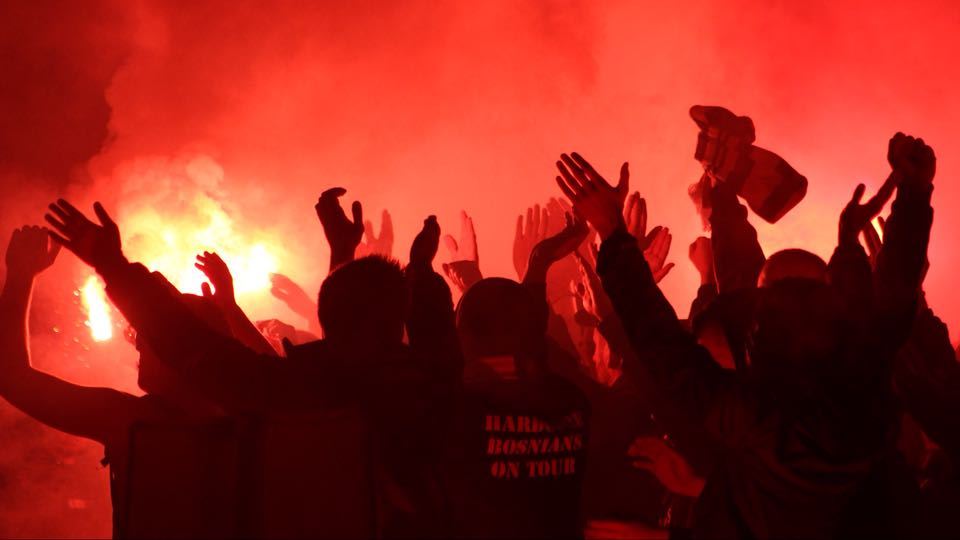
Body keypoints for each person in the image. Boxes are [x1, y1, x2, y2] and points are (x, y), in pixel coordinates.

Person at [554, 132, 934, 539]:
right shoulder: (869, 404)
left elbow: (659, 341)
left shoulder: (750, 416)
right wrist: (862, 238)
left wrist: (612, 231)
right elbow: (889, 306)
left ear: (760, 335)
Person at [44, 189, 462, 538]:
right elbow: (415, 338)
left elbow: (185, 343)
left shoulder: (288, 389)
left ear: (327, 317)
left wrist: (113, 265)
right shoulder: (439, 387)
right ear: (399, 320)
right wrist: (415, 270)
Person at [0, 226, 234, 538]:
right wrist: (227, 312)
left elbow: (12, 377)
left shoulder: (133, 421)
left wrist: (20, 275)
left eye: (149, 338)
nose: (137, 344)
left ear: (183, 354)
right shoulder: (252, 417)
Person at [447, 213, 590, 539]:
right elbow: (531, 340)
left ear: (460, 339)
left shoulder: (449, 414)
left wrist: (538, 266)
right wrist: (538, 267)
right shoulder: (574, 400)